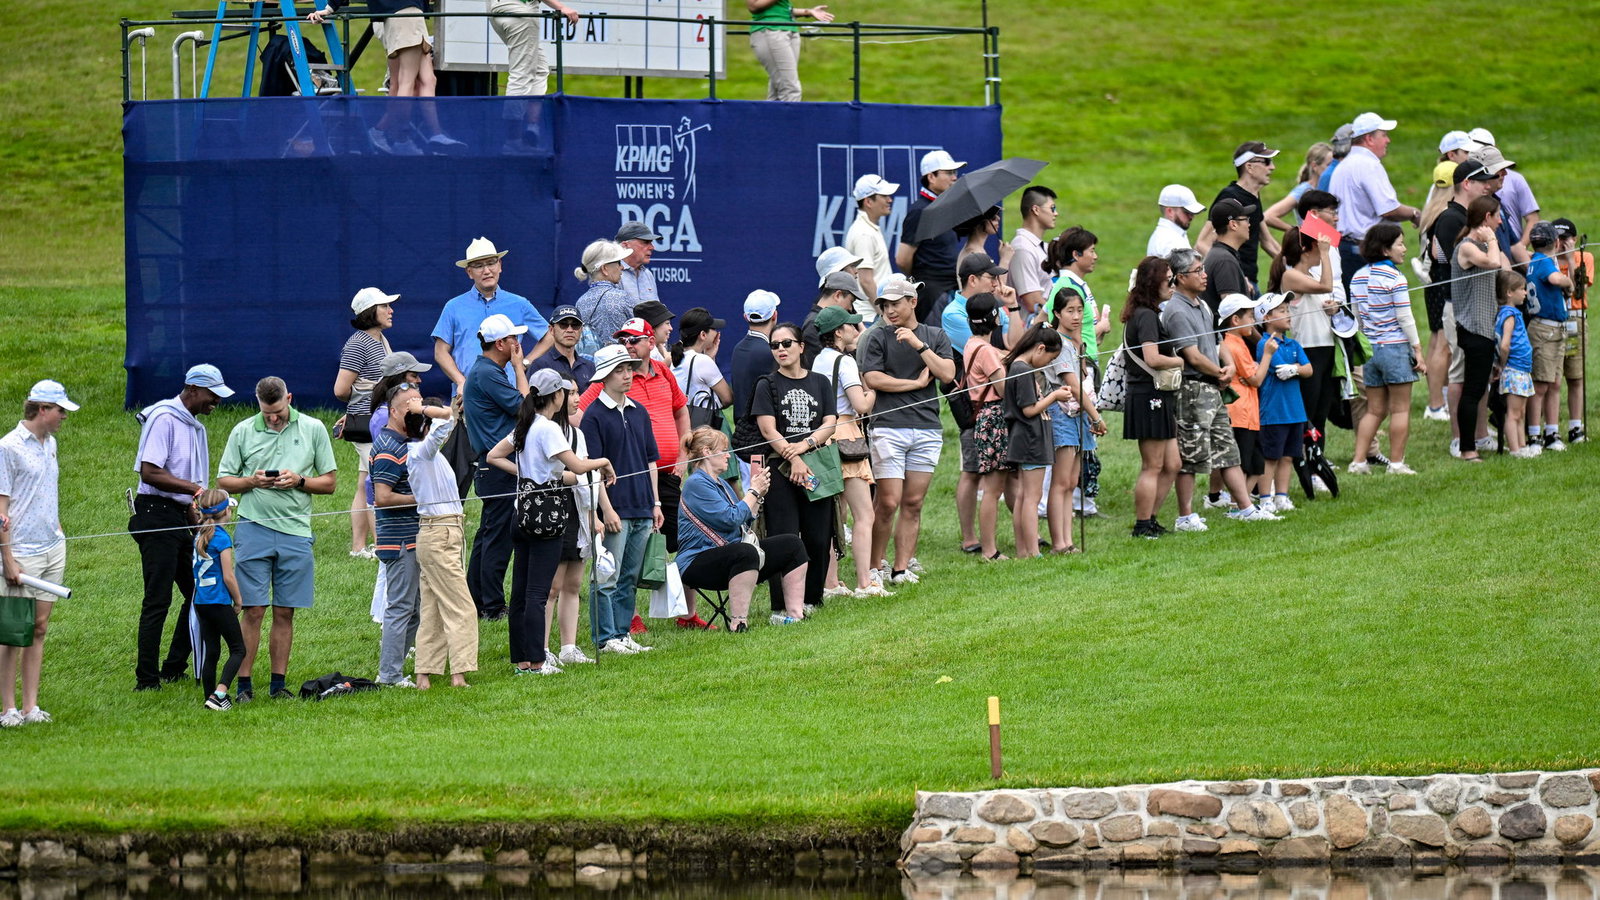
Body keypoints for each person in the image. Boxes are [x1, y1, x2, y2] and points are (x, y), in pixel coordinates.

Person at [216, 377, 338, 701]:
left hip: (296, 532)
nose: (272, 418)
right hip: (253, 527)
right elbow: (223, 480)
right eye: (266, 413)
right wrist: (251, 481)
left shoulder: (313, 428)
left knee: (285, 611)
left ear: (289, 399)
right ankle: (243, 686)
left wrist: (299, 481)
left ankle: (277, 685)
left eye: (278, 412)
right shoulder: (242, 430)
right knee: (253, 609)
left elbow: (329, 483)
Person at [489, 370, 616, 673]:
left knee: (520, 592)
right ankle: (537, 661)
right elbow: (578, 466)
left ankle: (522, 661)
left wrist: (530, 477)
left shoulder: (526, 424)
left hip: (522, 512)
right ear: (556, 395)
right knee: (537, 592)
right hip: (545, 517)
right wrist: (604, 462)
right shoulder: (548, 428)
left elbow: (494, 456)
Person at [131, 363, 230, 692]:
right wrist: (196, 490)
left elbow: (184, 487)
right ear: (193, 389)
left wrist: (195, 518)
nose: (216, 402)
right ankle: (147, 680)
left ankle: (174, 667)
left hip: (178, 516)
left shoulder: (194, 425)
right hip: (155, 515)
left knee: (199, 592)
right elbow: (149, 472)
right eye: (212, 395)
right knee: (157, 600)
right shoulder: (164, 417)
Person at [1165, 249, 1274, 528]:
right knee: (1191, 454)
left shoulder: (1202, 305)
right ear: (1180, 277)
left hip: (1213, 388)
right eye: (1198, 271)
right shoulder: (1176, 310)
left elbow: (1219, 341)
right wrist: (1219, 371)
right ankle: (1185, 516)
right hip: (1191, 390)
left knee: (1228, 450)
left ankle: (1245, 508)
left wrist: (1229, 366)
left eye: (1203, 269)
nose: (1205, 275)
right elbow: (1191, 355)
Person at [860, 275, 954, 583]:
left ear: (912, 302)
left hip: (927, 428)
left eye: (895, 304)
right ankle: (875, 567)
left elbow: (947, 374)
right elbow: (873, 378)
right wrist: (913, 384)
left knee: (913, 503)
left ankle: (900, 569)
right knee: (888, 501)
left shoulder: (934, 335)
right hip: (888, 427)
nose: (889, 311)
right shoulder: (877, 336)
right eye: (884, 305)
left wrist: (918, 345)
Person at [579, 318, 688, 568]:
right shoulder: (600, 401)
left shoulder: (661, 375)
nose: (627, 344)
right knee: (613, 570)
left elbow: (681, 411)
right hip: (620, 491)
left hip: (658, 485)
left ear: (650, 342)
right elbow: (578, 414)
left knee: (666, 549)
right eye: (623, 340)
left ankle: (681, 593)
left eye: (633, 340)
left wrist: (682, 458)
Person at [677, 428, 808, 633]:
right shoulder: (696, 484)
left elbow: (743, 519)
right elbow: (730, 519)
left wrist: (759, 495)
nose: (728, 455)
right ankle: (738, 623)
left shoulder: (720, 483)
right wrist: (753, 491)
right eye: (723, 451)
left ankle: (795, 615)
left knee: (792, 544)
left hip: (730, 554)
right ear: (707, 452)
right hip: (696, 561)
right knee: (745, 552)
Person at [0, 381, 76, 727]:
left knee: (39, 627)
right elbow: (1, 508)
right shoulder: (8, 447)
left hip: (52, 548)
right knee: (13, 631)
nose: (64, 416)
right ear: (43, 409)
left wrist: (56, 529)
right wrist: (7, 558)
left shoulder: (51, 443)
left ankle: (31, 706)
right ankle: (8, 709)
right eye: (60, 410)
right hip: (20, 552)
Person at [579, 345, 660, 655]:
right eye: (619, 370)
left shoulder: (640, 411)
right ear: (604, 376)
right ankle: (605, 637)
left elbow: (651, 460)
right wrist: (607, 509)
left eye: (629, 369)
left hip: (642, 504)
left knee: (630, 575)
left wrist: (655, 503)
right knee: (607, 575)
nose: (627, 375)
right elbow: (593, 468)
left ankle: (622, 633)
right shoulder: (594, 416)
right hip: (615, 506)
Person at [753, 322, 837, 617]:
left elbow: (830, 422)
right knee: (783, 537)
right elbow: (768, 430)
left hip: (816, 467)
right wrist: (794, 458)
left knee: (818, 536)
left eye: (786, 343)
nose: (780, 349)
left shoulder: (820, 382)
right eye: (774, 345)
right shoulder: (767, 384)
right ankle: (781, 605)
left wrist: (805, 445)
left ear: (801, 347)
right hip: (779, 469)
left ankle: (812, 598)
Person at [309, 1, 465, 156]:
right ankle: (399, 138)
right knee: (406, 82)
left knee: (422, 80)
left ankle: (428, 135)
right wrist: (329, 8)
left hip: (397, 16)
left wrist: (330, 8)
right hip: (404, 13)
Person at [942, 252, 1018, 554]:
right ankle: (974, 540)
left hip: (985, 406)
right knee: (974, 472)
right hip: (975, 406)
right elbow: (999, 351)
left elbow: (1012, 344)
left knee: (1002, 477)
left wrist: (1011, 307)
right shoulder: (955, 314)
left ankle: (1022, 533)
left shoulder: (991, 307)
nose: (996, 283)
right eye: (991, 278)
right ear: (972, 279)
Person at [403, 393, 480, 688]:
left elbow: (447, 418)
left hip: (442, 532)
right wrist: (422, 408)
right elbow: (446, 419)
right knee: (461, 606)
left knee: (433, 609)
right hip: (439, 533)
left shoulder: (427, 454)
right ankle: (459, 673)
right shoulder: (420, 452)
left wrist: (442, 410)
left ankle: (424, 674)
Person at [811, 305, 884, 597]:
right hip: (847, 435)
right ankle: (865, 582)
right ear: (839, 332)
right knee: (864, 514)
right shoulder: (845, 361)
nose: (856, 329)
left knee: (833, 516)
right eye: (851, 325)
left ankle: (831, 582)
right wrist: (873, 388)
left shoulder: (817, 360)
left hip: (822, 437)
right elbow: (861, 405)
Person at [462, 313, 531, 621]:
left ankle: (477, 600)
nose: (518, 343)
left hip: (493, 468)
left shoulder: (486, 371)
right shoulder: (489, 373)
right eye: (513, 338)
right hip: (499, 467)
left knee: (489, 535)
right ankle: (491, 606)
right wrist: (519, 368)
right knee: (499, 538)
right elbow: (526, 408)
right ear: (501, 343)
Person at [1424, 161, 1497, 422]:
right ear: (1467, 184)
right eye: (1482, 182)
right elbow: (1462, 264)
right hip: (1459, 306)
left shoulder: (1463, 217)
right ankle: (1459, 436)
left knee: (1477, 374)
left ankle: (1479, 433)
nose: (1488, 186)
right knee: (1460, 374)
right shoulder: (1451, 219)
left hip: (1473, 305)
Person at [1348, 224, 1423, 475]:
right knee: (1400, 409)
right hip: (1394, 348)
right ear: (1385, 250)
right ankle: (1397, 463)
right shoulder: (1395, 278)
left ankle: (1358, 461)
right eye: (1400, 244)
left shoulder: (1357, 277)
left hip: (1371, 351)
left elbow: (1357, 319)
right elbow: (1405, 318)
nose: (1404, 248)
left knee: (1374, 410)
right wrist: (1418, 350)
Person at [433, 237, 551, 392]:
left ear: (500, 265)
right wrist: (461, 382)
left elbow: (549, 335)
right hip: (467, 395)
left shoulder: (519, 304)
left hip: (509, 393)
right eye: (478, 266)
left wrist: (525, 363)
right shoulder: (453, 307)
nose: (486, 270)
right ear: (469, 272)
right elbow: (440, 352)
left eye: (491, 263)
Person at [1121, 257, 1184, 539]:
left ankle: (1152, 518)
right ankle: (1142, 524)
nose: (1173, 285)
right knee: (1153, 465)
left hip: (1157, 394)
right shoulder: (1145, 316)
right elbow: (1152, 358)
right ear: (1153, 282)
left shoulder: (1147, 313)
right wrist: (1180, 361)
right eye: (1168, 280)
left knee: (1173, 464)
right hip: (1148, 396)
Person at [1042, 288, 1109, 554]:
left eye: (1080, 310)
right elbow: (1073, 384)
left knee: (1071, 482)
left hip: (1078, 414)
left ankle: (1068, 540)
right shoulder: (1058, 344)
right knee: (1061, 482)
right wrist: (1096, 416)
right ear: (1057, 313)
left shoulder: (1073, 342)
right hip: (1062, 413)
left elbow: (1082, 376)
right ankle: (1059, 542)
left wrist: (1080, 340)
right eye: (1070, 311)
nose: (1076, 316)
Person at [334, 286, 397, 560]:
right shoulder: (358, 343)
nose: (391, 310)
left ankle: (358, 548)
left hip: (376, 421)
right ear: (371, 312)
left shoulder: (379, 339)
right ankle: (382, 547)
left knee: (363, 483)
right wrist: (358, 406)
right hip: (368, 425)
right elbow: (340, 389)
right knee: (376, 482)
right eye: (385, 306)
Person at [1329, 112, 1421, 296]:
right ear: (1369, 139)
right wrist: (1414, 213)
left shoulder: (1344, 165)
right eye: (1383, 135)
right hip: (1364, 252)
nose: (1388, 140)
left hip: (1346, 249)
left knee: (1354, 309)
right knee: (1375, 309)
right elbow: (1389, 210)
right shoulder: (1368, 164)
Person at [1269, 226, 1341, 457]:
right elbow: (1327, 286)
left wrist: (1332, 308)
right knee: (1309, 410)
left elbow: (1324, 294)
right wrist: (1326, 253)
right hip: (1309, 350)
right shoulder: (1290, 276)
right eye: (1318, 247)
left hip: (1326, 348)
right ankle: (1303, 459)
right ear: (1306, 248)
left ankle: (1318, 459)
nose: (1322, 251)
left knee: (1321, 411)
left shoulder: (1309, 277)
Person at [369, 384, 424, 688]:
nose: (416, 413)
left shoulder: (404, 442)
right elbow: (382, 497)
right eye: (409, 408)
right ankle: (389, 675)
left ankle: (394, 670)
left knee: (412, 609)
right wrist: (422, 498)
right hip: (400, 540)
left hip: (410, 538)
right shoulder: (390, 446)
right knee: (401, 608)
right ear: (393, 412)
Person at [1450, 196, 1509, 464]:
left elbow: (1503, 268)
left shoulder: (1482, 246)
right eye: (1497, 216)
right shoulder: (1467, 247)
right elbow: (1493, 263)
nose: (1501, 221)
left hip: (1485, 329)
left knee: (1479, 389)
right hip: (1473, 329)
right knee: (1472, 391)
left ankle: (1476, 442)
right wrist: (1493, 240)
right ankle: (1467, 449)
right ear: (1487, 218)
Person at [1002, 324, 1066, 560]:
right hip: (1030, 438)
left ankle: (1023, 551)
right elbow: (1029, 409)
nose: (1049, 363)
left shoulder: (1018, 367)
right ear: (1040, 348)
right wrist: (1055, 396)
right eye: (1051, 358)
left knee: (1023, 496)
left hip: (1025, 438)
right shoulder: (1024, 370)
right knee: (1032, 497)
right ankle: (1033, 550)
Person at [486, 0, 579, 150]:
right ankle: (513, 141)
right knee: (521, 75)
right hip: (520, 10)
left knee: (539, 69)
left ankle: (531, 128)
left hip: (498, 9)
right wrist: (561, 7)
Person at [961, 294, 1011, 561]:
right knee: (993, 489)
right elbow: (1003, 389)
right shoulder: (988, 352)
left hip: (982, 417)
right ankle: (990, 550)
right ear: (995, 317)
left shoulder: (972, 344)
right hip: (995, 418)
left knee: (998, 485)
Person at [1194, 141, 1282, 290]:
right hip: (1234, 283)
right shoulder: (1230, 197)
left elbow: (1267, 241)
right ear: (1249, 167)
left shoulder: (1253, 195)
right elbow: (1202, 244)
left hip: (1249, 281)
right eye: (1267, 162)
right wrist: (1236, 274)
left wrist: (1294, 267)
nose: (1272, 167)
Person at [1253, 293, 1314, 506]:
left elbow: (1309, 369)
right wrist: (1297, 368)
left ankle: (1281, 497)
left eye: (1288, 310)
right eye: (1282, 311)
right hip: (1275, 411)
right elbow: (1281, 371)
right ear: (1267, 318)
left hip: (1295, 411)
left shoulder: (1293, 344)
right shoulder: (1265, 344)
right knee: (1271, 457)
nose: (1288, 314)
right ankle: (1265, 499)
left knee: (1288, 456)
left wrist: (1295, 368)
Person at [188, 488, 243, 711]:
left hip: (201, 603)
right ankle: (219, 694)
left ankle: (209, 697)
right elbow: (228, 576)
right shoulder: (221, 538)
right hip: (219, 602)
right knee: (238, 649)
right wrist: (238, 600)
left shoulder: (200, 535)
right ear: (226, 511)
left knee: (212, 651)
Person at [898, 150, 967, 323]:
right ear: (931, 177)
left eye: (955, 172)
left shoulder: (945, 207)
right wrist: (924, 279)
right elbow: (902, 259)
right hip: (932, 297)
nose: (954, 177)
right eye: (948, 173)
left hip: (951, 290)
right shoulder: (919, 211)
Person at [1216, 295, 1271, 507]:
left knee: (1256, 463)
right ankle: (1238, 506)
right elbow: (1256, 380)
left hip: (1249, 412)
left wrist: (1255, 368)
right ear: (1235, 320)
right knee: (1244, 463)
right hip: (1240, 413)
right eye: (1249, 316)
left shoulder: (1238, 343)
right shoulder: (1234, 345)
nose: (1253, 321)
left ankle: (1241, 504)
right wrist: (1267, 355)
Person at [1525, 222, 1575, 451]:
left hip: (1554, 328)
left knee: (1554, 382)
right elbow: (1556, 279)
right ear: (1556, 242)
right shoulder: (1544, 262)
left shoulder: (1536, 259)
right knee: (1540, 385)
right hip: (1545, 330)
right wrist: (1568, 282)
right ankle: (1535, 435)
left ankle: (1551, 432)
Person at [731, 290, 782, 477]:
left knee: (753, 487)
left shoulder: (738, 348)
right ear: (774, 315)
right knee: (761, 489)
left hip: (744, 436)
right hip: (763, 438)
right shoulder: (769, 353)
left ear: (746, 317)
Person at [745, 0, 833, 101]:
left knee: (777, 90)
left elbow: (781, 9)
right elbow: (753, 6)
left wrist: (808, 12)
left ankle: (774, 112)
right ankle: (792, 112)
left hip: (789, 29)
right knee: (790, 89)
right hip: (772, 30)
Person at [1552, 218, 1589, 444]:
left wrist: (1570, 259)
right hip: (1552, 320)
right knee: (1552, 377)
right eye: (1557, 239)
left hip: (1574, 319)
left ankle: (1576, 427)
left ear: (1573, 240)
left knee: (1575, 375)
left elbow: (1579, 292)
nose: (1560, 243)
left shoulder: (1584, 258)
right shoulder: (1546, 260)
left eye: (1565, 239)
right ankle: (1551, 428)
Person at [1495, 269, 1538, 458]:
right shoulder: (1509, 315)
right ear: (1509, 293)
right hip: (1514, 369)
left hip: (1522, 369)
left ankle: (1522, 446)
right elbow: (1505, 345)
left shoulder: (1514, 313)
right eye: (1522, 289)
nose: (1525, 292)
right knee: (1513, 414)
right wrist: (1503, 365)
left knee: (1520, 412)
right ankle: (1514, 450)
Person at [671, 307, 733, 432]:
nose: (716, 333)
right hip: (703, 428)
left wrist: (710, 357)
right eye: (713, 329)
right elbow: (728, 398)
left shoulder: (676, 358)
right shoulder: (702, 361)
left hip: (681, 426)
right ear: (703, 335)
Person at [571, 240, 634, 361]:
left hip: (590, 368)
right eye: (618, 262)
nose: (622, 267)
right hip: (620, 365)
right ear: (605, 269)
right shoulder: (622, 297)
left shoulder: (580, 302)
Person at [845, 174, 899, 309]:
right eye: (884, 196)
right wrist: (883, 311)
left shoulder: (867, 229)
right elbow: (866, 280)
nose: (890, 200)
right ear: (868, 202)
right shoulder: (864, 233)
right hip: (870, 315)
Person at [1011, 186, 1060, 320]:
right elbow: (1033, 302)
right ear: (1036, 210)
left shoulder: (1040, 247)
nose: (1056, 213)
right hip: (1032, 329)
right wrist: (1063, 319)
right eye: (1052, 208)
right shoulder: (1023, 248)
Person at [1263, 142, 1334, 232]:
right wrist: (1298, 232)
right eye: (1329, 165)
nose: (1333, 169)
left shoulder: (1334, 187)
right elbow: (1268, 216)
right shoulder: (1304, 190)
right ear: (1314, 166)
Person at [803, 272, 870, 365]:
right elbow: (826, 367)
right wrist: (856, 348)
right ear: (838, 295)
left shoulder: (818, 321)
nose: (850, 308)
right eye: (851, 301)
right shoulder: (813, 324)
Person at [1200, 198, 1255, 311]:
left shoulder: (1221, 254)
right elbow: (1232, 312)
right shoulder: (1225, 260)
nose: (1249, 224)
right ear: (1233, 224)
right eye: (1246, 219)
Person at [528, 304, 597, 391]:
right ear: (551, 330)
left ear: (581, 330)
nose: (570, 330)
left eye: (575, 325)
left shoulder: (590, 367)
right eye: (563, 324)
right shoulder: (540, 365)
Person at [1147, 185, 1206, 259]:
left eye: (1192, 213)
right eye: (1187, 212)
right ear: (1170, 211)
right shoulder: (1171, 242)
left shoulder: (1172, 234)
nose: (1192, 217)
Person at [615, 222, 661, 307]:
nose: (652, 247)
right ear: (625, 245)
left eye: (651, 243)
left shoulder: (648, 274)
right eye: (645, 242)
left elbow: (657, 311)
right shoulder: (612, 273)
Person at [634, 299, 676, 365]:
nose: (671, 328)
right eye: (667, 323)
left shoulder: (656, 348)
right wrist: (667, 363)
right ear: (652, 328)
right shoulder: (648, 353)